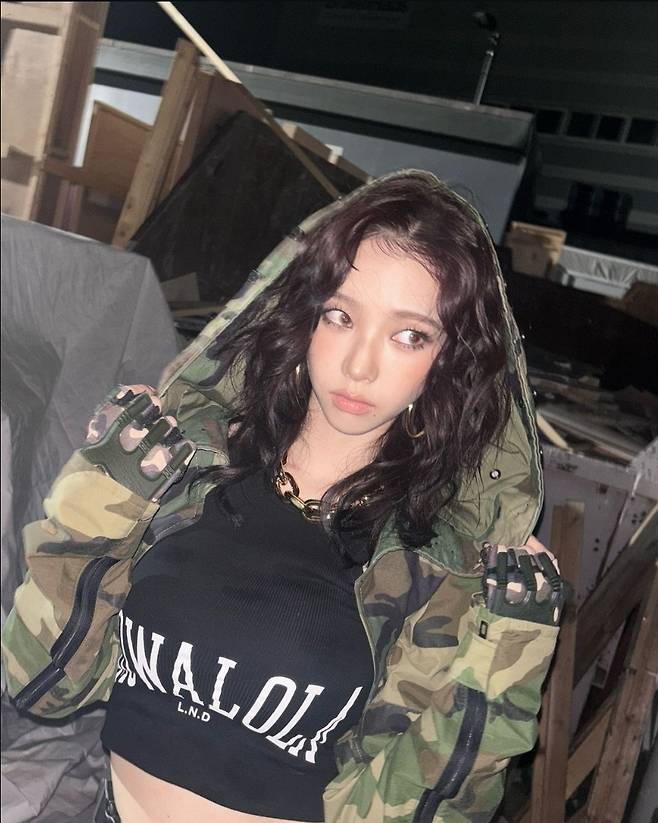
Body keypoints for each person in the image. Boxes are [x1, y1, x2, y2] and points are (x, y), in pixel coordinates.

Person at [2, 170, 565, 823]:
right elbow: (41, 681)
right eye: (341, 316)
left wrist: (501, 665)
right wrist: (103, 495)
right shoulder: (186, 474)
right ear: (303, 314)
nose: (359, 365)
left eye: (409, 334)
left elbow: (428, 810)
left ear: (448, 358)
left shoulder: (434, 561)